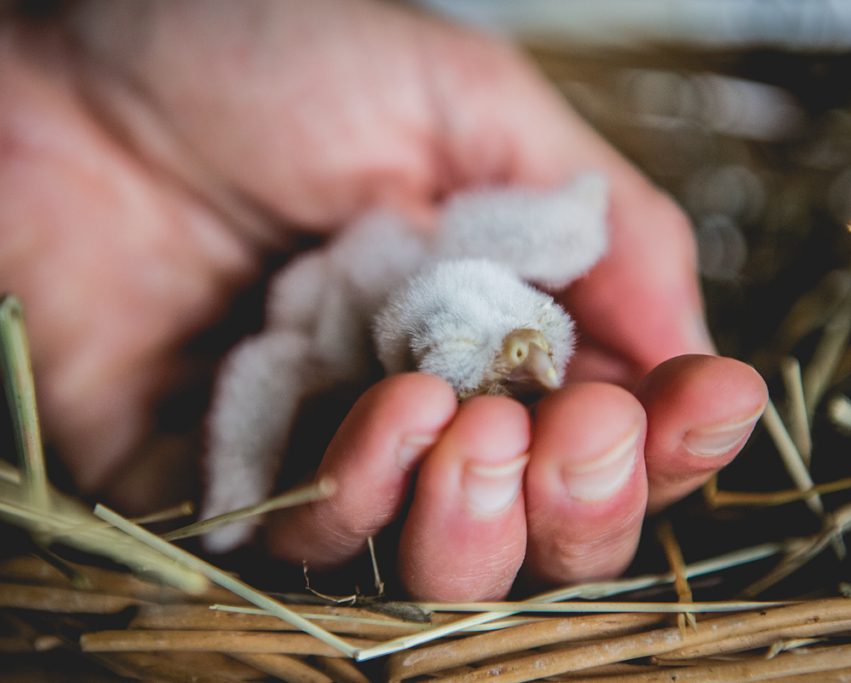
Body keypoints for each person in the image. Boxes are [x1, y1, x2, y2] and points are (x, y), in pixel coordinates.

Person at [0, 0, 767, 601]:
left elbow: (552, 233)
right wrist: (233, 494)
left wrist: (51, 63)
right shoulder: (333, 323)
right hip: (349, 296)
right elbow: (269, 383)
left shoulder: (469, 251)